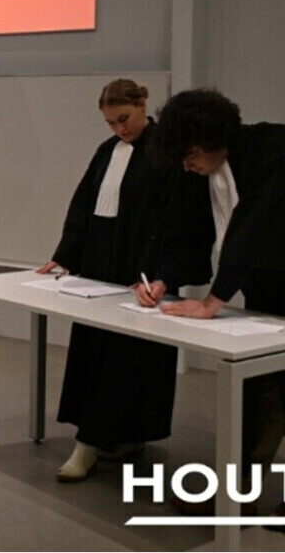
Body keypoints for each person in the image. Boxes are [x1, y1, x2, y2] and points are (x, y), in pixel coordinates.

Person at [37, 79, 212, 482]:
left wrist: (163, 276)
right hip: (101, 272)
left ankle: (117, 439)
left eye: (124, 118)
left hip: (144, 278)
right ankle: (94, 440)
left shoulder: (168, 152)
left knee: (133, 361)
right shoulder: (106, 151)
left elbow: (182, 220)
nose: (119, 129)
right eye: (111, 123)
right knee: (100, 356)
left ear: (143, 105)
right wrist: (65, 255)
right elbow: (83, 206)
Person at [153, 88, 285, 522]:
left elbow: (254, 229)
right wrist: (164, 278)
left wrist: (213, 301)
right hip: (268, 291)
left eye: (190, 154)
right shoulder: (207, 169)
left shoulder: (273, 150)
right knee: (258, 387)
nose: (186, 165)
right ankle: (237, 492)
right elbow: (190, 231)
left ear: (211, 137)